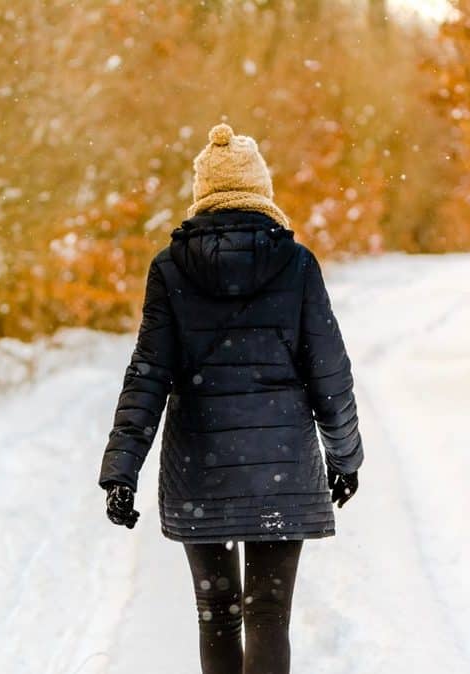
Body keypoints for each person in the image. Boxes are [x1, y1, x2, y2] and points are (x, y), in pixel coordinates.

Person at [96, 123, 363, 674]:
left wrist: (122, 469)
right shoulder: (297, 264)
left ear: (203, 194)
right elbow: (329, 373)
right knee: (268, 613)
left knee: (216, 611)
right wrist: (345, 458)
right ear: (261, 191)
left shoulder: (170, 269)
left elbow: (147, 374)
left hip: (202, 469)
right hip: (281, 469)